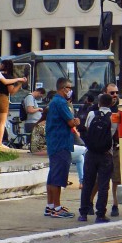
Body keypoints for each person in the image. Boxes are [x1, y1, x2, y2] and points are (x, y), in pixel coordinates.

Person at [44, 77, 80, 218]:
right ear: (63, 88)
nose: (70, 91)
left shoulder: (54, 102)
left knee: (53, 175)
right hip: (61, 143)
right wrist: (76, 120)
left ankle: (50, 206)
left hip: (54, 143)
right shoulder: (61, 102)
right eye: (69, 88)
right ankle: (57, 208)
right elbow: (71, 122)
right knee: (58, 177)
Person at [78, 93, 116, 223]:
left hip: (91, 153)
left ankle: (83, 213)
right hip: (106, 154)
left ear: (99, 103)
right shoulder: (114, 117)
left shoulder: (92, 114)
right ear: (111, 104)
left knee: (87, 183)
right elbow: (114, 134)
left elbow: (88, 129)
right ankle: (100, 215)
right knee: (103, 185)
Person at [87, 83, 122, 217]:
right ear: (105, 94)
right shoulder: (96, 109)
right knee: (98, 180)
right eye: (112, 93)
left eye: (116, 93)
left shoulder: (120, 109)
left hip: (115, 148)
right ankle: (90, 202)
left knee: (116, 179)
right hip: (100, 150)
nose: (115, 95)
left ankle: (115, 205)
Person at [0, 59, 22, 148]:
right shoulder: (9, 77)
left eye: (1, 64)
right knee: (1, 122)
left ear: (3, 65)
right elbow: (11, 91)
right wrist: (19, 84)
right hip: (2, 98)